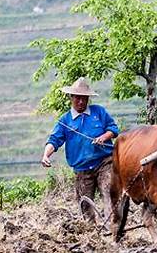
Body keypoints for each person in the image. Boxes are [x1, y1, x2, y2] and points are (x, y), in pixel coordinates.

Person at [41, 77, 119, 224]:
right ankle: (91, 234)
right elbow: (54, 141)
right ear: (71, 98)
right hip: (82, 169)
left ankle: (112, 227)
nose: (81, 102)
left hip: (104, 163)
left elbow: (113, 129)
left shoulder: (99, 112)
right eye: (78, 98)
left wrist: (103, 137)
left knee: (109, 192)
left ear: (88, 99)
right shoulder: (65, 121)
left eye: (84, 99)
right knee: (85, 204)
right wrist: (46, 155)